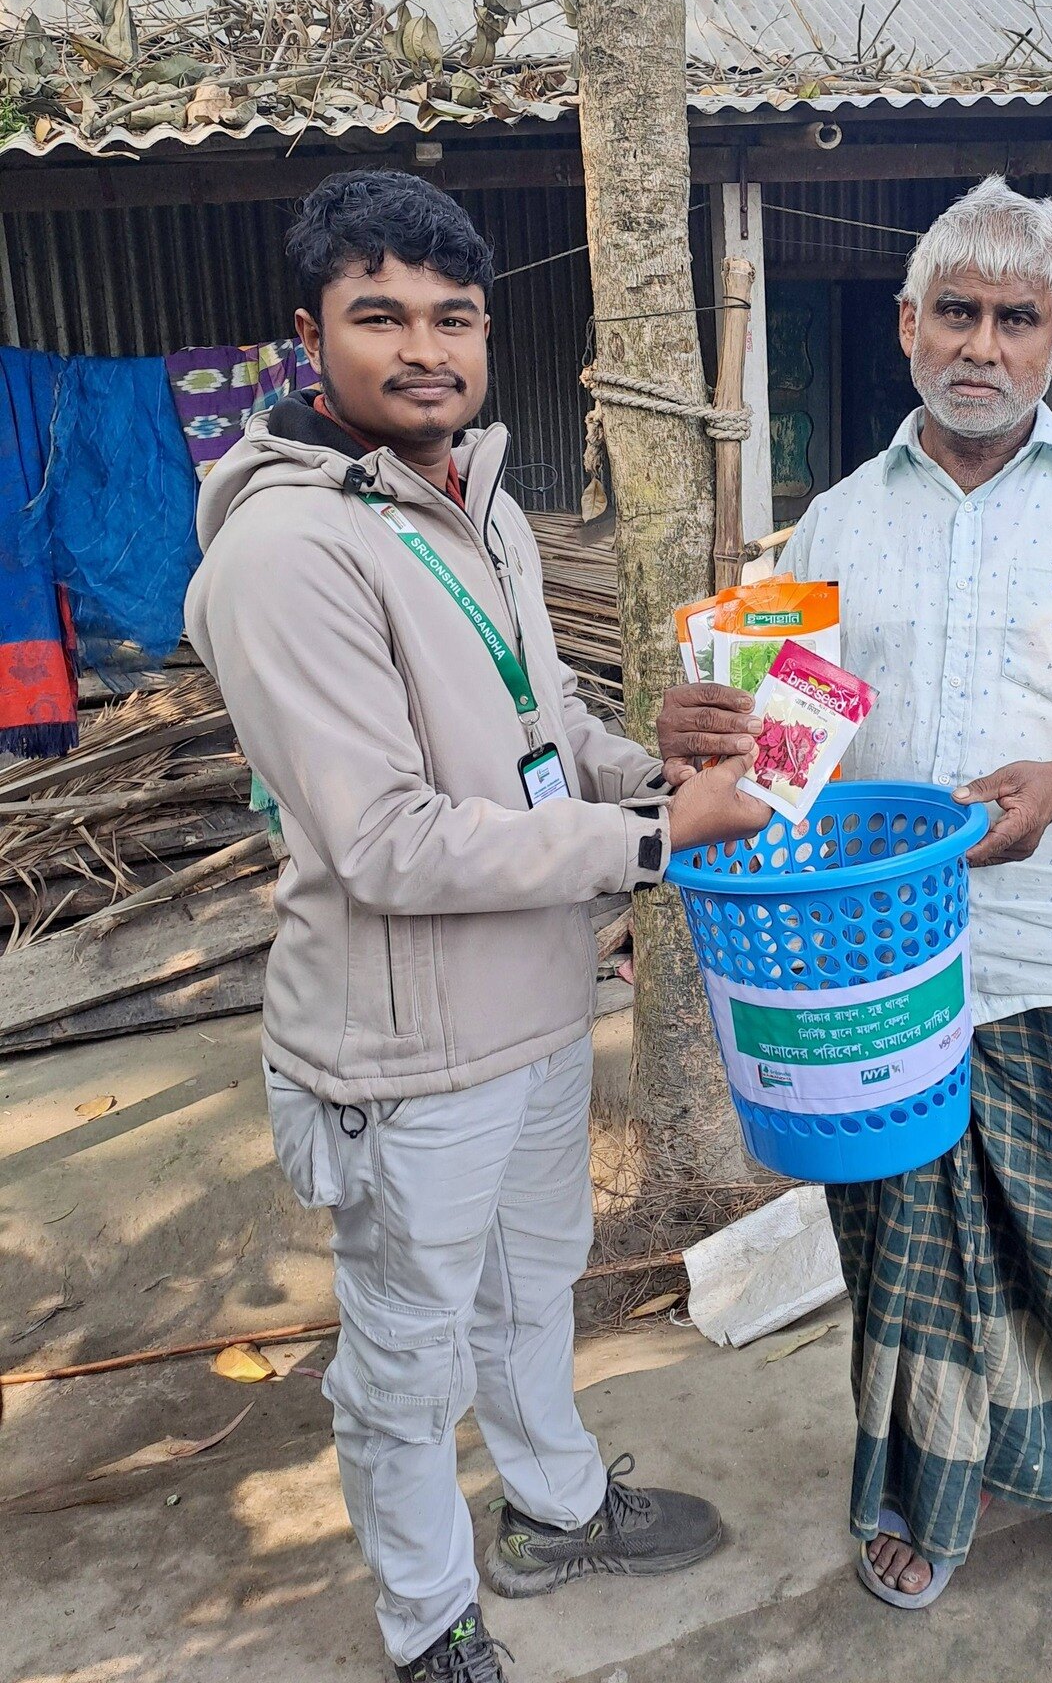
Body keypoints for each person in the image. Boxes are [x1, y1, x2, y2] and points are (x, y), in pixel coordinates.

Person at [185, 171, 769, 1683]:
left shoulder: (472, 497)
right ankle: (427, 1620)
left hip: (535, 1004)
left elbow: (542, 721)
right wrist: (654, 837)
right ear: (307, 336)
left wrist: (668, 767)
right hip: (405, 1049)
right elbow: (385, 840)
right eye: (379, 316)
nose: (424, 348)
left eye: (454, 316)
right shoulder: (288, 552)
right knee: (403, 1352)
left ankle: (557, 1509)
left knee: (531, 1286)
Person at [777, 176, 1052, 1683]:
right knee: (910, 1247)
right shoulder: (835, 521)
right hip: (890, 966)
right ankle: (931, 1486)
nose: (982, 342)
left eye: (1015, 318)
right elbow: (789, 758)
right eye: (956, 312)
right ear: (907, 325)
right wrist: (716, 729)